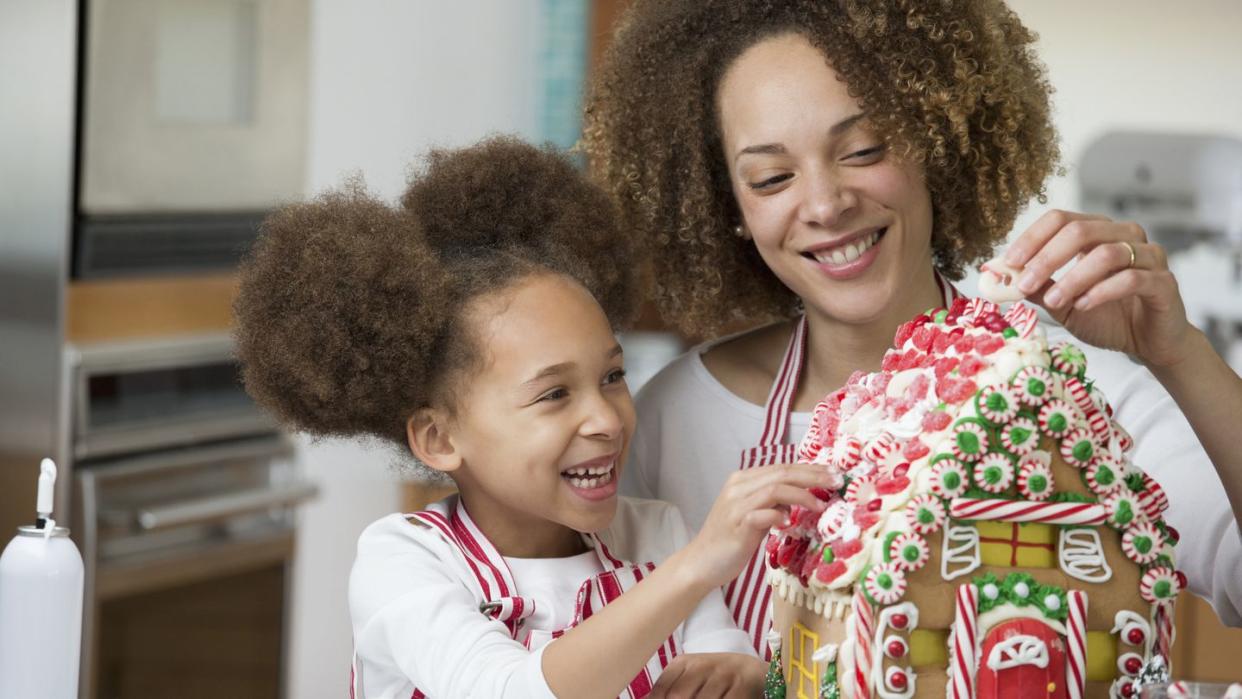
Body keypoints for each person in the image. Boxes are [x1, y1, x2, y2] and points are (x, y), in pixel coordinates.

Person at [581, 0, 1242, 654]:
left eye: (863, 149)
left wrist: (1180, 354)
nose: (826, 203)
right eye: (772, 177)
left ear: (938, 140)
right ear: (729, 206)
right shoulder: (672, 417)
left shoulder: (1071, 388)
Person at [233, 137, 836, 698]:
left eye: (613, 377)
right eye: (553, 395)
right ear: (439, 438)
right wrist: (695, 567)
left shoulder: (656, 534)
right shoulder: (403, 561)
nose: (606, 418)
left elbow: (721, 650)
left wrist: (741, 669)